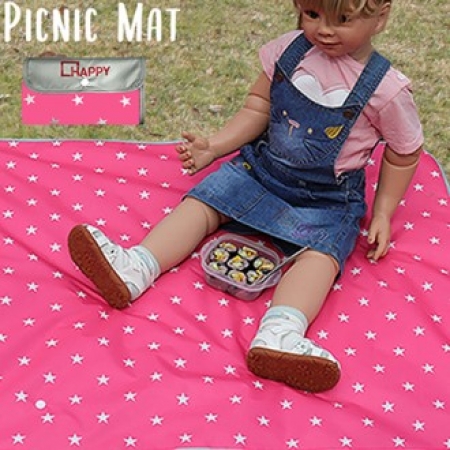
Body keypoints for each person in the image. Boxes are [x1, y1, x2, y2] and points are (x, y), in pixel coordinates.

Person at [68, 0, 423, 393]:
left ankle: (281, 332)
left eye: (343, 19)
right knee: (205, 202)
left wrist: (384, 211)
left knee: (320, 254)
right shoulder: (290, 50)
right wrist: (216, 146)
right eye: (312, 14)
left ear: (380, 17)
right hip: (262, 171)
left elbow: (404, 152)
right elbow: (259, 106)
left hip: (325, 200)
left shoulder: (386, 89)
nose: (324, 29)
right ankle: (136, 266)